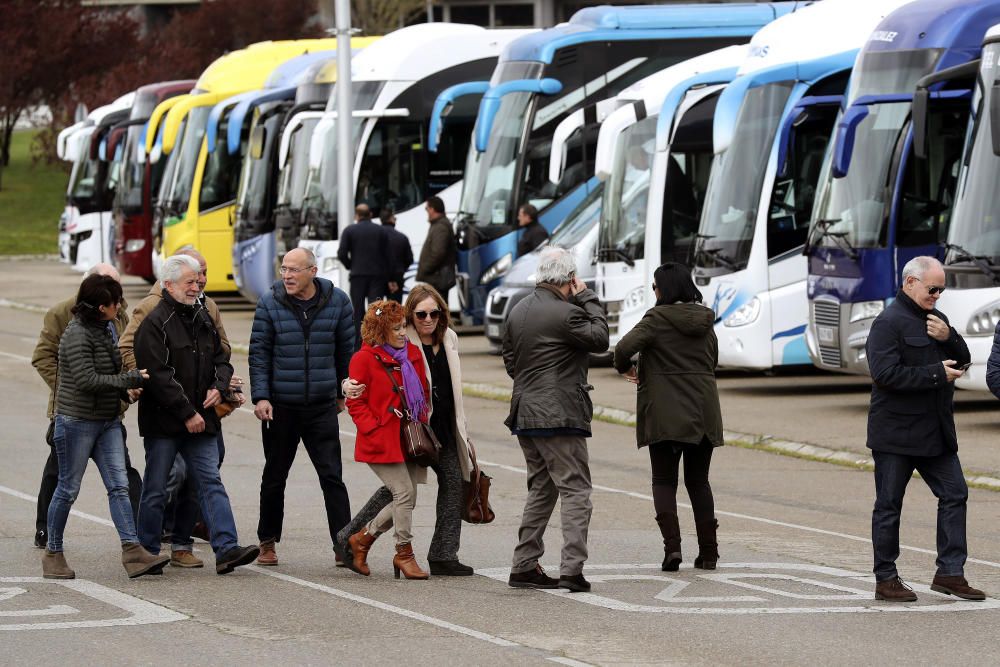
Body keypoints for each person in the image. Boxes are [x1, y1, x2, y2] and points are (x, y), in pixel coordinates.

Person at [865, 256, 984, 602]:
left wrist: (951, 337)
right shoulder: (887, 323)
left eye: (941, 290)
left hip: (935, 432)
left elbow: (962, 360)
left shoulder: (938, 320)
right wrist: (935, 373)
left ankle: (950, 573)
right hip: (896, 435)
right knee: (889, 505)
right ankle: (886, 578)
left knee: (955, 493)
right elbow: (884, 374)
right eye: (932, 289)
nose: (936, 296)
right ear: (910, 283)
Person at [133, 254, 259, 575]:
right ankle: (146, 552)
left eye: (197, 280)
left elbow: (222, 358)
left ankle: (227, 548)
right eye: (189, 282)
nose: (196, 286)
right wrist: (187, 412)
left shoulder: (202, 314)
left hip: (203, 420)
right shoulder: (154, 323)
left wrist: (220, 386)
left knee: (209, 481)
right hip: (165, 423)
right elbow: (158, 376)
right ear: (169, 285)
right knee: (157, 486)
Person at [339, 284, 474, 576]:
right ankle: (365, 541)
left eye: (434, 313)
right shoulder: (401, 342)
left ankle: (441, 554)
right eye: (421, 314)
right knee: (400, 493)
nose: (428, 319)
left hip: (438, 429)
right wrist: (349, 391)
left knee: (446, 486)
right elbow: (358, 383)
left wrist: (464, 430)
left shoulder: (443, 340)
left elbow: (444, 390)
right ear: (411, 315)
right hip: (402, 434)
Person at [42, 273, 168, 580]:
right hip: (76, 422)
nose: (120, 307)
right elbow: (86, 380)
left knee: (119, 486)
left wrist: (127, 389)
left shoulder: (106, 328)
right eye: (116, 302)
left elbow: (113, 367)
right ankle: (53, 553)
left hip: (108, 421)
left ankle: (132, 551)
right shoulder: (76, 334)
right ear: (101, 307)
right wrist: (129, 380)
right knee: (68, 489)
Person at [502, 246, 609, 592]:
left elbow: (510, 361)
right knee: (576, 488)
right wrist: (588, 297)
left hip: (525, 411)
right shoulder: (566, 313)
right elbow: (600, 339)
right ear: (569, 280)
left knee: (541, 488)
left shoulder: (517, 310)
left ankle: (524, 563)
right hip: (560, 412)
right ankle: (572, 569)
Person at [613, 262, 723, 572]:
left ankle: (672, 550)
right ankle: (709, 553)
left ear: (664, 289)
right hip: (703, 411)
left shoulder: (656, 319)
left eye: (654, 285)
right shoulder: (705, 320)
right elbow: (713, 359)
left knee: (664, 481)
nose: (653, 290)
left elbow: (622, 348)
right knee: (699, 481)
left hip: (663, 412)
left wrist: (627, 368)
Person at [249, 247, 355, 567]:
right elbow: (259, 353)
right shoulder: (270, 301)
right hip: (281, 406)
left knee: (332, 477)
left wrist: (342, 390)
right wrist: (262, 397)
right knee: (274, 477)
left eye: (294, 270)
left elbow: (346, 352)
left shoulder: (338, 302)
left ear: (312, 270)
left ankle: (343, 543)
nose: (287, 276)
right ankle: (267, 541)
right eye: (284, 270)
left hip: (321, 406)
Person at [30, 263, 142, 550]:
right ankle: (49, 539)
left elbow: (123, 357)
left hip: (108, 414)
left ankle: (134, 543)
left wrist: (127, 388)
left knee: (121, 480)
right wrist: (66, 389)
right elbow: (51, 361)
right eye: (112, 294)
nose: (119, 302)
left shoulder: (117, 316)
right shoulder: (67, 320)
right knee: (63, 482)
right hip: (74, 416)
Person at [344, 300, 430, 580]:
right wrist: (374, 427)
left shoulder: (413, 353)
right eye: (396, 328)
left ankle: (363, 538)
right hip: (381, 438)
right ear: (380, 331)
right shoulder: (364, 359)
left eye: (403, 326)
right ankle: (404, 553)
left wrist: (421, 415)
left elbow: (424, 391)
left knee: (409, 498)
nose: (403, 332)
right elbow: (355, 403)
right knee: (404, 494)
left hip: (411, 436)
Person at [338, 203, 388, 341]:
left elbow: (342, 253)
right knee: (376, 309)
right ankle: (376, 338)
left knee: (358, 310)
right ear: (370, 214)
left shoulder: (349, 231)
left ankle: (359, 342)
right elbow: (388, 254)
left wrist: (351, 266)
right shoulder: (381, 231)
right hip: (377, 276)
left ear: (357, 216)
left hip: (357, 276)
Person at [416, 196, 456, 299]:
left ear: (432, 209)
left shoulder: (440, 227)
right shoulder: (438, 225)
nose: (426, 211)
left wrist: (425, 269)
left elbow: (438, 253)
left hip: (437, 278)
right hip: (436, 278)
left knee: (437, 310)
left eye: (426, 208)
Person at [381, 207, 414, 303]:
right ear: (391, 218)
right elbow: (409, 259)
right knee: (394, 310)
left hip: (379, 280)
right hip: (397, 280)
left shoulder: (375, 237)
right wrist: (400, 271)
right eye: (394, 217)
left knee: (378, 310)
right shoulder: (402, 237)